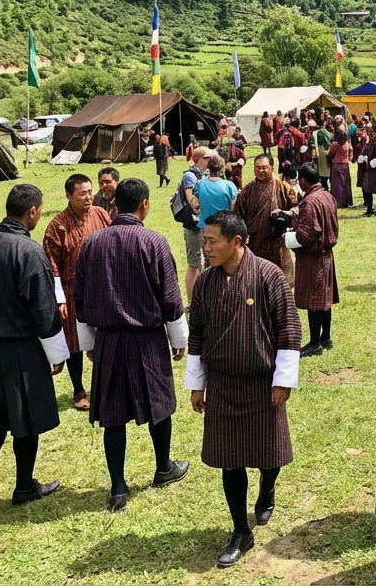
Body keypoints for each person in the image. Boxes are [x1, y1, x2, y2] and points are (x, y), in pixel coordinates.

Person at [185, 211, 302, 568]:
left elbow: (289, 331)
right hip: (222, 384)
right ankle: (240, 531)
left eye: (212, 241)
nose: (206, 248)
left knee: (270, 456)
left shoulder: (269, 276)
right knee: (228, 460)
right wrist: (196, 384)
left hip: (262, 384)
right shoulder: (205, 282)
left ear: (237, 242)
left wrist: (283, 380)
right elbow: (197, 334)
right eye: (204, 241)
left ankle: (267, 490)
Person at [72, 178, 190, 511]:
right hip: (147, 339)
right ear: (145, 205)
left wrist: (89, 342)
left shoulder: (92, 242)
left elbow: (80, 297)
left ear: (114, 205)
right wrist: (179, 338)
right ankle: (164, 467)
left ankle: (118, 488)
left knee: (112, 414)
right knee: (159, 404)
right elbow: (170, 297)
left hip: (108, 339)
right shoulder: (154, 241)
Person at [0, 184, 69, 509]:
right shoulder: (30, 250)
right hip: (22, 347)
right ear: (32, 211)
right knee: (27, 417)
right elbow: (44, 309)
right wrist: (57, 353)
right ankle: (24, 486)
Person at [42, 174, 113, 412]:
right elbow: (51, 265)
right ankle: (78, 389)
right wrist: (59, 298)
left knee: (103, 337)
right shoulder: (58, 225)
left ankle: (102, 386)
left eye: (90, 192)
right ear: (68, 195)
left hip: (101, 287)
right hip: (71, 290)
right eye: (82, 193)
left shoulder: (101, 214)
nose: (88, 197)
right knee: (75, 342)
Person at [285, 163, 339, 357]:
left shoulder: (310, 201)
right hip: (326, 255)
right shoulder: (327, 196)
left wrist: (288, 237)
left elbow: (307, 233)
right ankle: (326, 338)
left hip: (313, 256)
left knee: (314, 300)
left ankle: (314, 343)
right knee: (325, 298)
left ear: (303, 180)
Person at [234, 154, 299, 280]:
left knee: (278, 280)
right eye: (257, 168)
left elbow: (295, 209)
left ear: (272, 168)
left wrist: (286, 217)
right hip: (255, 243)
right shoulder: (247, 191)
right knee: (255, 279)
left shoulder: (283, 187)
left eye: (264, 168)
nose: (261, 171)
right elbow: (238, 216)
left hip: (277, 243)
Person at [178, 146, 212, 302]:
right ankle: (192, 302)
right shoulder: (190, 176)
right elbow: (192, 201)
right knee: (195, 262)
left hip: (207, 224)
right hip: (194, 226)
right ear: (196, 159)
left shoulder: (209, 173)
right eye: (207, 158)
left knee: (208, 261)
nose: (210, 160)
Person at [195, 154, 239, 228]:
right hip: (224, 226)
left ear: (209, 167)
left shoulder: (200, 184)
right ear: (222, 168)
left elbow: (196, 203)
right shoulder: (229, 185)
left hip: (206, 226)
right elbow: (233, 208)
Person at [328, 120, 353, 208]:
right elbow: (351, 152)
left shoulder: (335, 144)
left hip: (336, 165)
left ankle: (338, 201)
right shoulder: (347, 144)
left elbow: (330, 153)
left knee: (337, 185)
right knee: (345, 183)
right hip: (345, 165)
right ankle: (346, 201)